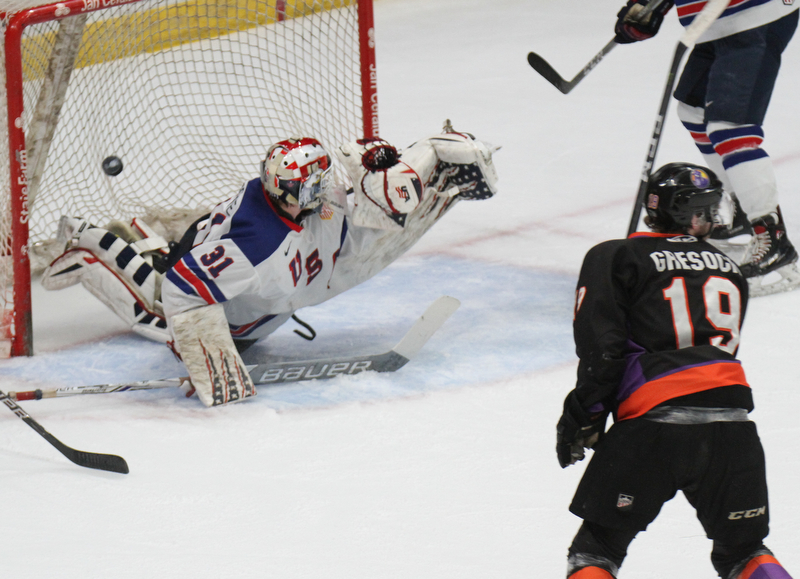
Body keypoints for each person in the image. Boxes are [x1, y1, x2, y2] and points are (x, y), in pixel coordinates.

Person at [41, 127, 499, 407]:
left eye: (320, 181)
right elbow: (183, 288)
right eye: (310, 186)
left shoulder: (303, 201)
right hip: (229, 305)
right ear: (284, 190)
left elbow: (364, 180)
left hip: (257, 290)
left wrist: (379, 158)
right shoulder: (255, 245)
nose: (321, 192)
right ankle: (87, 245)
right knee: (158, 308)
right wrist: (199, 352)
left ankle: (141, 242)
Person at [556, 163, 793, 579]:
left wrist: (585, 415)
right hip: (732, 425)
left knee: (596, 552)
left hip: (653, 426)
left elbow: (602, 351)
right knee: (744, 553)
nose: (709, 218)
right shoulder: (730, 269)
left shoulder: (615, 255)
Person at [613, 0, 800, 296]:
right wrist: (649, 7)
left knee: (730, 127)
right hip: (713, 21)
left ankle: (772, 237)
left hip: (754, 16)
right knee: (694, 113)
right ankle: (741, 210)